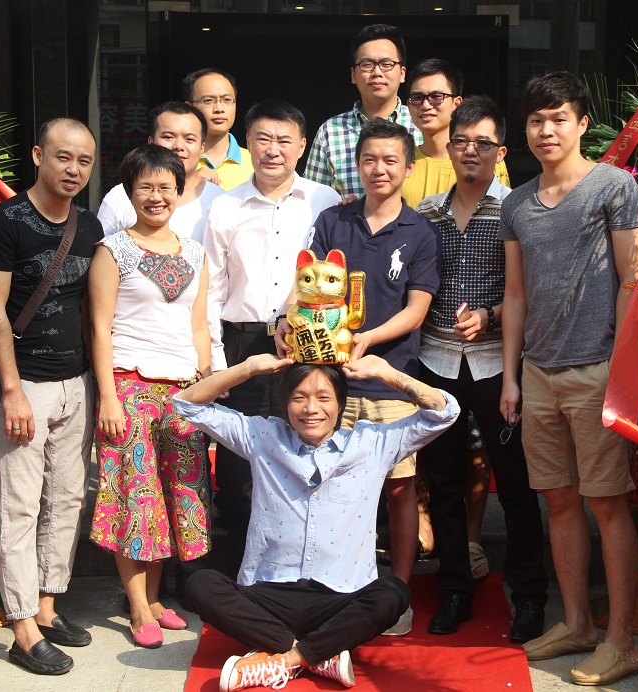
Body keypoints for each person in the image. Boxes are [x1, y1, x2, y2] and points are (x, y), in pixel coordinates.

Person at [175, 353, 459, 691]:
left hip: (340, 597)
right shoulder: (262, 436)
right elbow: (186, 404)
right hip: (269, 595)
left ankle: (286, 658)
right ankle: (319, 654)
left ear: (340, 403)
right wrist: (249, 368)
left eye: (324, 397)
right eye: (299, 398)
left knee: (393, 593)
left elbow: (445, 412)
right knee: (201, 584)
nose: (311, 409)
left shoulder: (373, 443)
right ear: (285, 403)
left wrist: (387, 374)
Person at [499, 71, 638, 686]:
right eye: (536, 120)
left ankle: (621, 641)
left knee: (607, 503)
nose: (546, 130)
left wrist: (621, 371)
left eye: (559, 118)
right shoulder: (517, 203)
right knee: (558, 501)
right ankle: (579, 624)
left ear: (582, 124)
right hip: (538, 373)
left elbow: (633, 279)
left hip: (596, 369)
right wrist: (511, 378)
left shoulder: (614, 186)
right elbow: (515, 293)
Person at [278, 119, 440, 637]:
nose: (379, 169)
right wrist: (286, 319)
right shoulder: (333, 220)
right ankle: (334, 591)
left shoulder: (420, 233)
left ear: (408, 168)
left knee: (400, 490)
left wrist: (367, 341)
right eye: (370, 159)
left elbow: (417, 310)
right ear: (357, 164)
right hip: (331, 385)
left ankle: (398, 596)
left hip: (391, 381)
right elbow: (304, 285)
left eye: (391, 160)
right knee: (329, 487)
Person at [415, 96, 548, 638]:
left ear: (501, 151)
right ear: (449, 148)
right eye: (462, 142)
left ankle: (529, 596)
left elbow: (530, 289)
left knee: (515, 484)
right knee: (444, 484)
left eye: (483, 143)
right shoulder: (425, 213)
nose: (472, 151)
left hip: (497, 364)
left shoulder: (517, 209)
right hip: (436, 361)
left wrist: (490, 317)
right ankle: (454, 590)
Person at [0, 118, 102, 676]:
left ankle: (48, 606)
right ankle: (22, 627)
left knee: (68, 498)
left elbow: (91, 310)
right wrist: (11, 391)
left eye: (84, 161)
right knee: (20, 504)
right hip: (24, 384)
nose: (73, 170)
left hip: (77, 383)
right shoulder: (4, 223)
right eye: (62, 157)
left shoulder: (89, 225)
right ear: (37, 156)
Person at [202, 99, 341, 578]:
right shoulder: (225, 206)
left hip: (305, 345)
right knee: (239, 464)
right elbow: (212, 288)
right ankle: (243, 572)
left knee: (305, 451)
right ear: (248, 143)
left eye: (284, 140)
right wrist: (217, 362)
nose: (273, 149)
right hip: (241, 344)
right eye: (263, 138)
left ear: (302, 147)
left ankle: (302, 570)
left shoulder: (325, 201)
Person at [87, 144, 212, 649]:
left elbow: (199, 327)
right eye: (145, 187)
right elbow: (99, 329)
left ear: (179, 192)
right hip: (130, 385)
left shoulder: (195, 253)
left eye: (165, 187)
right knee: (135, 497)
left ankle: (156, 599)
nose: (156, 196)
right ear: (129, 192)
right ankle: (138, 606)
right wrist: (108, 397)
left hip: (182, 391)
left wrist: (204, 388)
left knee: (171, 496)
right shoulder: (112, 250)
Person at [304, 24, 421, 199]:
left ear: (402, 73)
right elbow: (314, 200)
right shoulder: (330, 131)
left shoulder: (421, 124)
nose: (377, 72)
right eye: (367, 65)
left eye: (386, 64)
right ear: (353, 75)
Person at [97, 102, 224, 243]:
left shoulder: (220, 201)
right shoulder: (120, 196)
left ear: (202, 147)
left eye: (189, 139)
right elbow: (103, 249)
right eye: (168, 137)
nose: (178, 146)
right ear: (151, 142)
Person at [401, 59, 511, 209]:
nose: (426, 105)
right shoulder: (400, 164)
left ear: (457, 103)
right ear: (408, 105)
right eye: (417, 98)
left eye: (436, 97)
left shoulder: (486, 159)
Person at [184, 68, 254, 190]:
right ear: (189, 107)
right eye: (208, 100)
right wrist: (189, 182)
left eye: (227, 100)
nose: (219, 109)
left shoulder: (255, 162)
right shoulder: (176, 160)